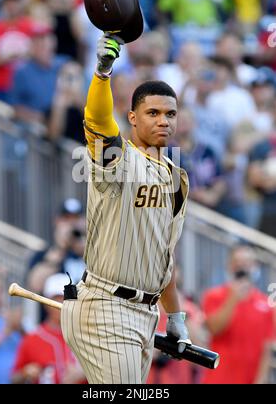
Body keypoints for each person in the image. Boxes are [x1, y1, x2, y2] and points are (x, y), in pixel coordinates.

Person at [61, 33, 191, 384]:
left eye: (170, 114)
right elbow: (98, 120)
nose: (164, 120)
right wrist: (102, 73)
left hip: (145, 314)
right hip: (106, 305)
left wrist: (175, 317)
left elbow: (163, 256)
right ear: (133, 117)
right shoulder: (118, 159)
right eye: (153, 113)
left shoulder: (177, 178)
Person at [202, 244, 275, 384]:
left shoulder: (266, 304)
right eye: (237, 263)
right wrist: (232, 299)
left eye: (246, 263)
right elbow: (214, 329)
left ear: (255, 266)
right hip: (218, 379)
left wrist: (261, 380)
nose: (242, 268)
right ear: (229, 266)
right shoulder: (214, 296)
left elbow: (267, 348)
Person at [12, 273, 85, 384]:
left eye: (66, 299)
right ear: (46, 303)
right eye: (57, 298)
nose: (62, 303)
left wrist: (84, 373)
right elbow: (14, 378)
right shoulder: (32, 338)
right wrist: (25, 372)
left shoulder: (87, 335)